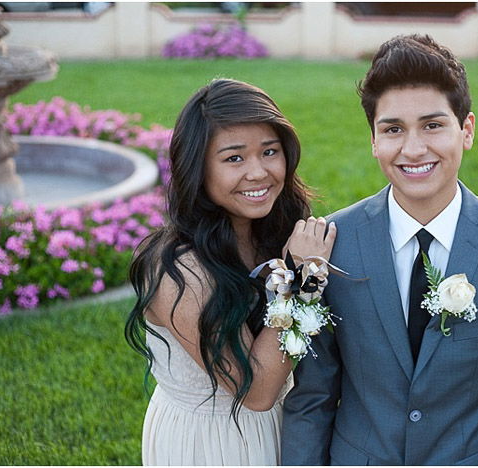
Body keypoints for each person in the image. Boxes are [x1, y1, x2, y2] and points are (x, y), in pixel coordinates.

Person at [281, 34, 478, 465]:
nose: (413, 149)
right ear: (373, 140)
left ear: (466, 130)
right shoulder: (332, 245)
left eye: (433, 125)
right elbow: (311, 397)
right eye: (393, 129)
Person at [125, 78, 336, 465]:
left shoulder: (274, 231)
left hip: (283, 425)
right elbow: (254, 391)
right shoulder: (181, 270)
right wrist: (304, 281)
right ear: (198, 169)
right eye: (234, 158)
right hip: (211, 442)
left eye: (269, 152)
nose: (258, 173)